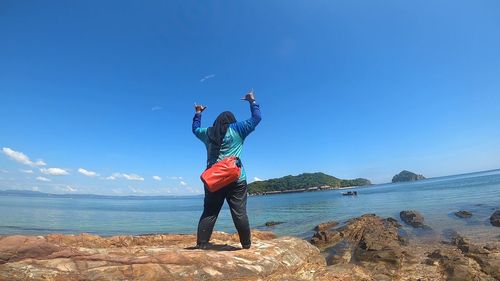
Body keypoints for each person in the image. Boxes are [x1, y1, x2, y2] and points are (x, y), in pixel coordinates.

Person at [192, 90, 261, 249]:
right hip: (236, 178)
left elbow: (195, 129)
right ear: (232, 120)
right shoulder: (238, 128)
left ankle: (202, 244)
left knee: (209, 212)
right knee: (239, 213)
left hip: (214, 180)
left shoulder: (207, 133)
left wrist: (198, 113)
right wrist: (252, 101)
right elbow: (257, 118)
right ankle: (246, 245)